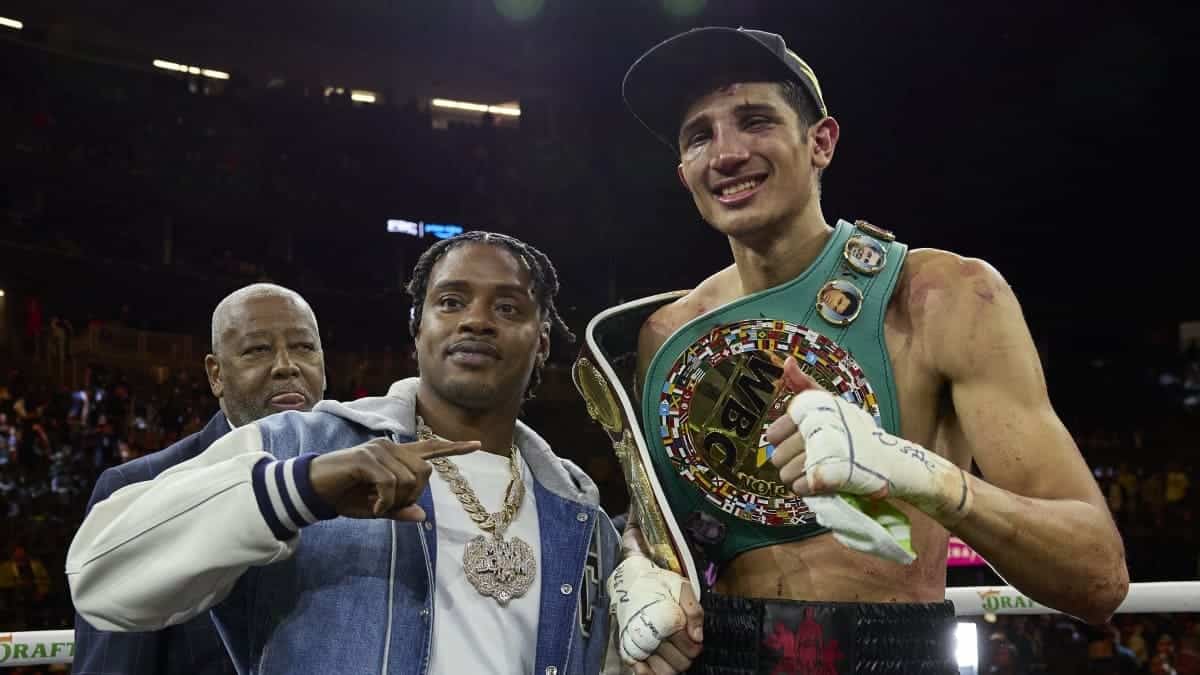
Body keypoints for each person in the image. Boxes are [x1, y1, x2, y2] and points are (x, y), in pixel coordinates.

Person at [603, 26, 1128, 674]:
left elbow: (1098, 574)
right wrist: (637, 567)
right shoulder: (667, 335)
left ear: (820, 141)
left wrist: (922, 476)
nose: (727, 153)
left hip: (896, 652)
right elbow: (664, 528)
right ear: (684, 172)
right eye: (699, 135)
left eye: (755, 120)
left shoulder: (942, 297)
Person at [67, 232, 619, 675]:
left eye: (507, 307)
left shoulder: (582, 520)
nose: (476, 319)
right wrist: (298, 489)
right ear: (416, 326)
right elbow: (98, 577)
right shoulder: (297, 445)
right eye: (450, 301)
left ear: (542, 339)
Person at [72, 282, 327, 675]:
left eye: (303, 347)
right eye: (258, 350)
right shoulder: (143, 485)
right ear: (216, 375)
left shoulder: (363, 478)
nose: (286, 365)